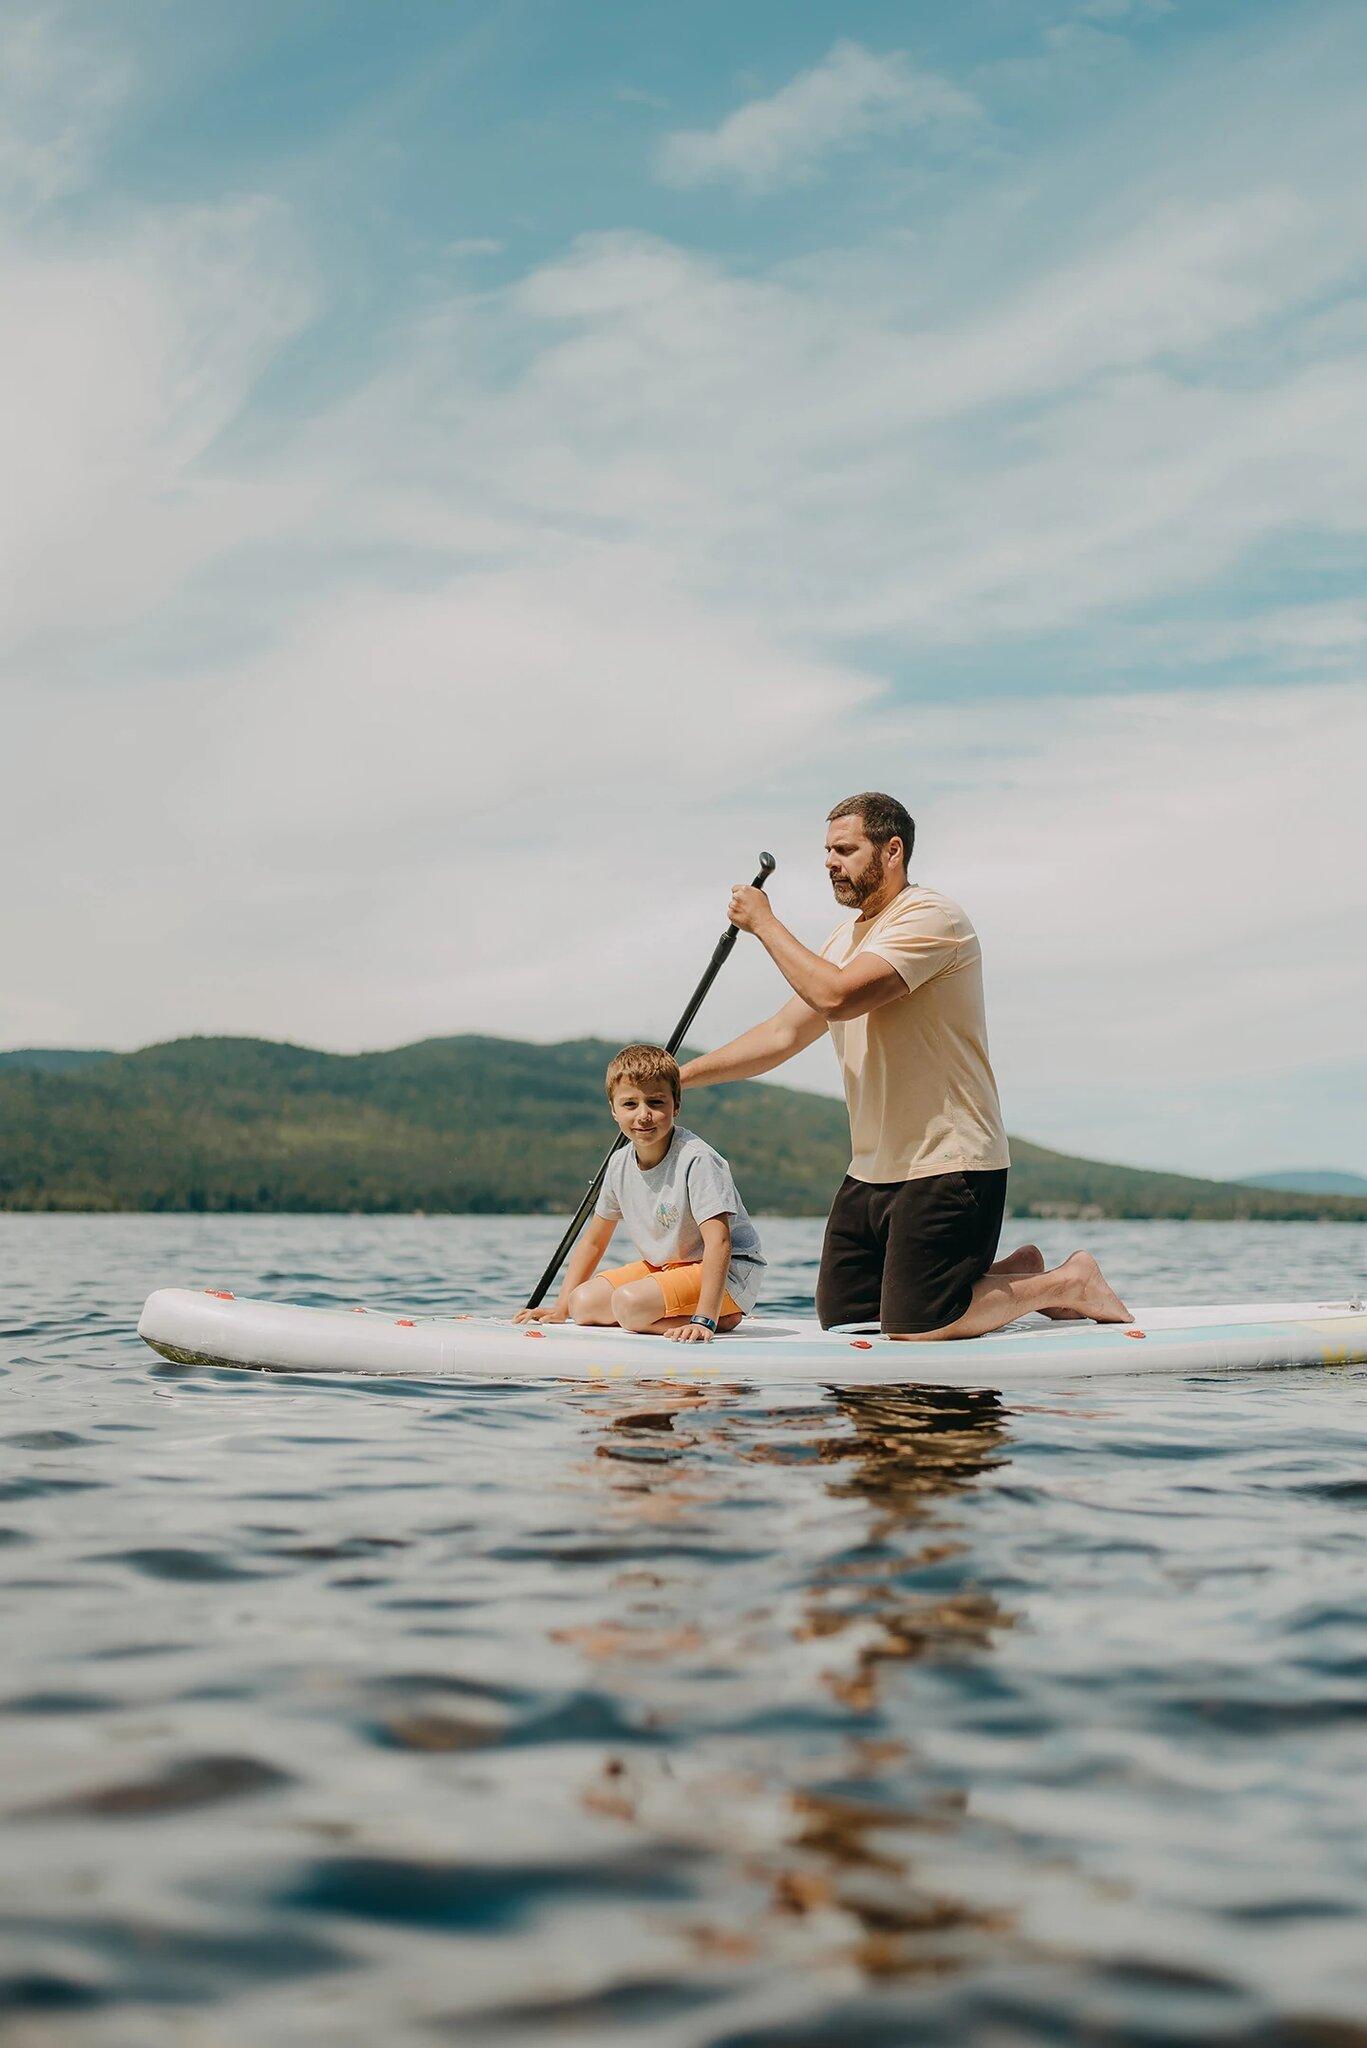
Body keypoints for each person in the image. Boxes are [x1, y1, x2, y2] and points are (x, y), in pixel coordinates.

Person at [678, 792, 1130, 1340]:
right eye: (826, 851)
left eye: (844, 849)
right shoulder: (844, 939)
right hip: (873, 1168)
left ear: (892, 850)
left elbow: (838, 996)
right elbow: (781, 1034)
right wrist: (681, 1077)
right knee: (849, 1323)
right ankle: (1011, 1276)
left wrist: (765, 924)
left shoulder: (932, 919)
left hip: (949, 1160)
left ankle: (1068, 1282)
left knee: (916, 1324)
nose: (829, 862)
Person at [514, 1043, 766, 1344]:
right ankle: (652, 1316)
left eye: (656, 1102)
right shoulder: (619, 1163)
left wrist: (705, 1319)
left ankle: (723, 1318)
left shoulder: (697, 1159)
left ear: (676, 1105)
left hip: (729, 1275)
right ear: (613, 1110)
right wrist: (560, 1308)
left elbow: (720, 1242)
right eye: (630, 1104)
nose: (643, 1115)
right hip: (666, 1267)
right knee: (581, 1305)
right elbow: (594, 1242)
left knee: (629, 1306)